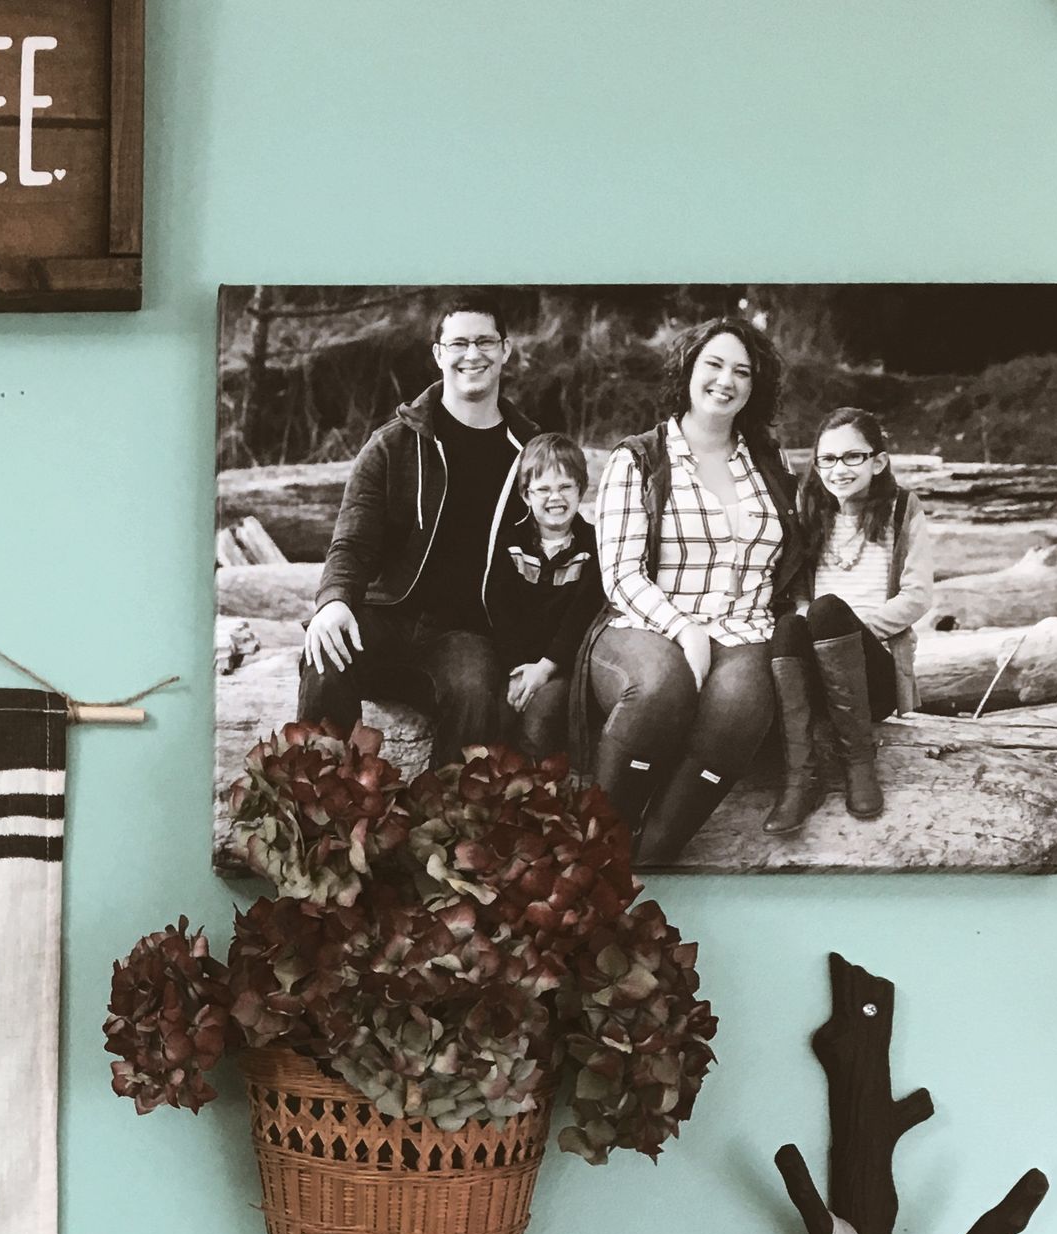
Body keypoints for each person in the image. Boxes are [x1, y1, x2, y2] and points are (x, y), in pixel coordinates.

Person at [574, 315, 805, 864]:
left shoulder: (771, 462)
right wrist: (686, 632)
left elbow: (796, 556)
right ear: (688, 370)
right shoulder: (639, 458)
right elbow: (621, 574)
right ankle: (596, 851)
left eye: (742, 372)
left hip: (747, 628)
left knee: (740, 707)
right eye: (714, 364)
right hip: (646, 623)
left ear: (755, 386)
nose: (726, 381)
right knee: (661, 687)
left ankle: (648, 863)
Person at [298, 292, 538, 763]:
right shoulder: (392, 445)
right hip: (384, 615)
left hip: (465, 633)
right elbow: (352, 542)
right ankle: (318, 799)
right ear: (438, 354)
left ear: (506, 350)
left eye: (485, 342)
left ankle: (443, 808)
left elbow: (551, 545)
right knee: (325, 653)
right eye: (459, 343)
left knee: (475, 688)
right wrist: (334, 602)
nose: (473, 354)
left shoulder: (529, 451)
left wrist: (539, 651)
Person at [764, 407, 936, 831]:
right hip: (821, 675)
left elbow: (918, 595)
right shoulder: (809, 511)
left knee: (827, 611)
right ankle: (801, 776)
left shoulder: (903, 508)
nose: (838, 469)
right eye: (827, 459)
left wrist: (851, 630)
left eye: (852, 457)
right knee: (790, 624)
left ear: (877, 461)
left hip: (874, 676)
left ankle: (859, 762)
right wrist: (818, 631)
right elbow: (799, 594)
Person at [485, 432, 602, 759]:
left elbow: (580, 616)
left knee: (540, 718)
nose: (556, 498)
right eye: (544, 489)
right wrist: (517, 668)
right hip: (514, 662)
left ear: (581, 489)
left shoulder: (592, 547)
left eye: (566, 487)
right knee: (496, 716)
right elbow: (500, 609)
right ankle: (489, 785)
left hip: (562, 665)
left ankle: (537, 785)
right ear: (526, 494)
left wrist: (545, 668)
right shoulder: (511, 544)